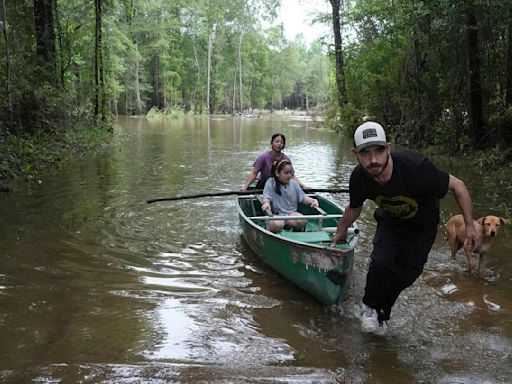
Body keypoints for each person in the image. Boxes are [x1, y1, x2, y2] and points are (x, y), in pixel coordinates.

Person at [330, 121, 479, 335]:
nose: (373, 160)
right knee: (381, 263)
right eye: (365, 153)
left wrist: (470, 226)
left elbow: (458, 186)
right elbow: (354, 208)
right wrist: (340, 233)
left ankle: (383, 314)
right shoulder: (360, 177)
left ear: (388, 148)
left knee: (406, 274)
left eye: (379, 151)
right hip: (390, 221)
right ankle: (369, 307)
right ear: (355, 153)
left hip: (422, 227)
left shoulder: (416, 168)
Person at [260, 160, 318, 233]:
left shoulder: (294, 183)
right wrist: (266, 203)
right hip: (276, 215)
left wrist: (312, 201)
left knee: (303, 220)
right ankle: (273, 236)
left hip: (291, 215)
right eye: (286, 173)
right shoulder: (271, 182)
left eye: (291, 173)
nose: (289, 175)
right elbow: (266, 197)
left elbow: (303, 198)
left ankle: (296, 235)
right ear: (277, 173)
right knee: (277, 224)